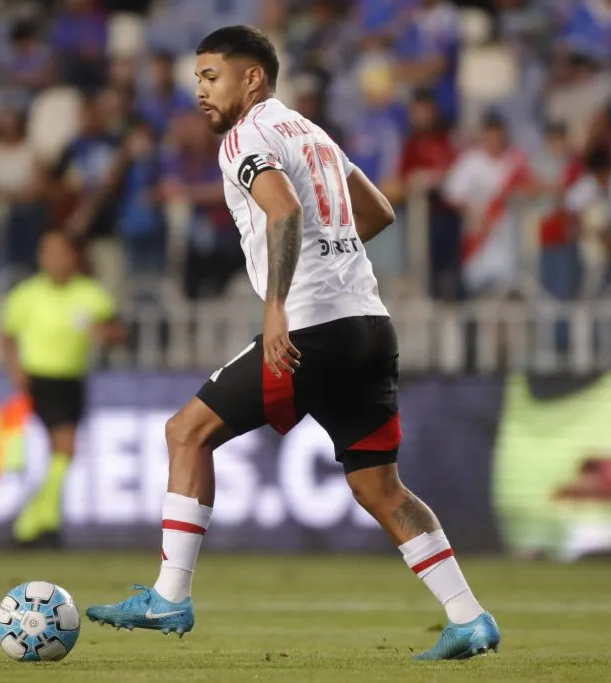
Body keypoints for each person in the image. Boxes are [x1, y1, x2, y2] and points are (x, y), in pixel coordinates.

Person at [85, 26, 501, 661]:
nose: (200, 90)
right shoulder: (313, 134)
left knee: (185, 432)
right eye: (196, 78)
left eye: (210, 76)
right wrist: (331, 258)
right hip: (369, 322)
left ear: (252, 79)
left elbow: (282, 211)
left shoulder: (246, 137)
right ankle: (469, 616)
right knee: (378, 487)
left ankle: (170, 595)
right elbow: (379, 211)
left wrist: (279, 306)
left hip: (311, 328)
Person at [1, 231, 125, 547]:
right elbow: (8, 335)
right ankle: (31, 524)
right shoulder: (26, 295)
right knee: (65, 448)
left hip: (73, 380)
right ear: (41, 258)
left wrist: (103, 333)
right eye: (49, 253)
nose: (56, 260)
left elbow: (116, 330)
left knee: (61, 453)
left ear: (73, 257)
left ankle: (44, 522)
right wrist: (15, 370)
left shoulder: (89, 293)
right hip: (41, 379)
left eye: (62, 252)